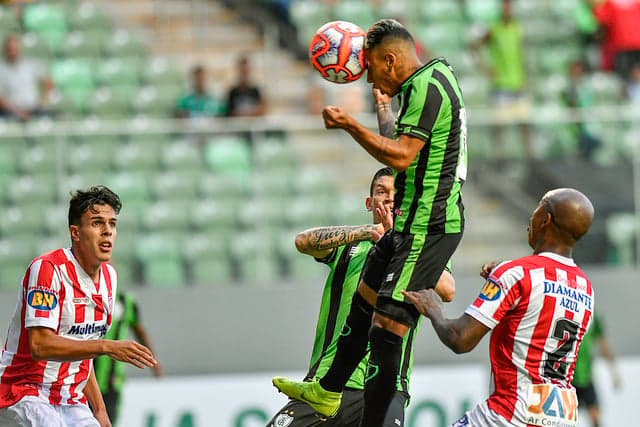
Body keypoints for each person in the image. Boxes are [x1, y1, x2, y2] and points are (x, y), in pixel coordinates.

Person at [273, 18, 466, 427]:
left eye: (371, 69)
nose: (368, 79)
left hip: (428, 224)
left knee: (384, 330)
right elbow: (400, 152)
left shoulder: (426, 86)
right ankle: (327, 389)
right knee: (365, 299)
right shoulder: (426, 83)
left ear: (390, 59)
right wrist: (381, 112)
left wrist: (349, 124)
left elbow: (400, 157)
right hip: (409, 224)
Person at [269, 167, 455, 427]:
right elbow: (303, 241)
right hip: (327, 380)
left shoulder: (420, 250)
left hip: (385, 387)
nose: (390, 198)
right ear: (370, 203)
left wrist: (402, 240)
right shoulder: (352, 246)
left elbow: (447, 290)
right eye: (382, 192)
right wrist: (369, 231)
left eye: (396, 193)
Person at [403, 188, 595, 427]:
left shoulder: (517, 274)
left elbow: (460, 339)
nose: (531, 217)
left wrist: (434, 309)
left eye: (537, 208)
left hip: (511, 414)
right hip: (562, 417)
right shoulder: (585, 288)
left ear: (545, 219)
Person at [0, 186, 158, 427]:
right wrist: (106, 346)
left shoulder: (110, 278)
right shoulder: (48, 270)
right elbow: (40, 345)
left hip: (70, 398)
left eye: (112, 224)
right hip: (24, 391)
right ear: (75, 232)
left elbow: (82, 353)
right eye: (97, 223)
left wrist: (100, 409)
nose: (107, 231)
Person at [472, 0, 531, 162]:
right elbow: (474, 47)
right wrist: (485, 68)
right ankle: (499, 158)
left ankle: (530, 159)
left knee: (525, 124)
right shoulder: (494, 29)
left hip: (518, 83)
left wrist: (526, 76)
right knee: (499, 126)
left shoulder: (516, 28)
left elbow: (521, 54)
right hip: (501, 85)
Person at [94, 290, 163, 426]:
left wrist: (152, 359)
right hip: (82, 380)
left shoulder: (126, 302)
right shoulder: (85, 297)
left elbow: (139, 330)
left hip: (111, 381)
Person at [571, 314, 621, 427]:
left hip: (586, 376)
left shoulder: (593, 317)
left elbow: (602, 343)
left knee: (595, 416)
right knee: (564, 417)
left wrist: (614, 372)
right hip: (568, 377)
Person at [0, 33, 53, 121]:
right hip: (10, 111)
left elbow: (48, 81)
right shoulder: (1, 69)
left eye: (15, 48)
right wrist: (17, 112)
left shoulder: (30, 64)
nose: (13, 51)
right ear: (5, 50)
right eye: (10, 48)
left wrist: (43, 102)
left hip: (34, 109)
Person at [562, 60, 601, 161]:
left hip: (589, 128)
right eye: (574, 73)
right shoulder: (566, 89)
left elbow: (587, 106)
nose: (576, 75)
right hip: (572, 129)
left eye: (579, 72)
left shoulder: (588, 88)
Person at [591, 0, 640, 79]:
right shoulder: (637, 3)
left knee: (623, 76)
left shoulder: (610, 4)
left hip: (621, 46)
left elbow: (600, 19)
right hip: (635, 45)